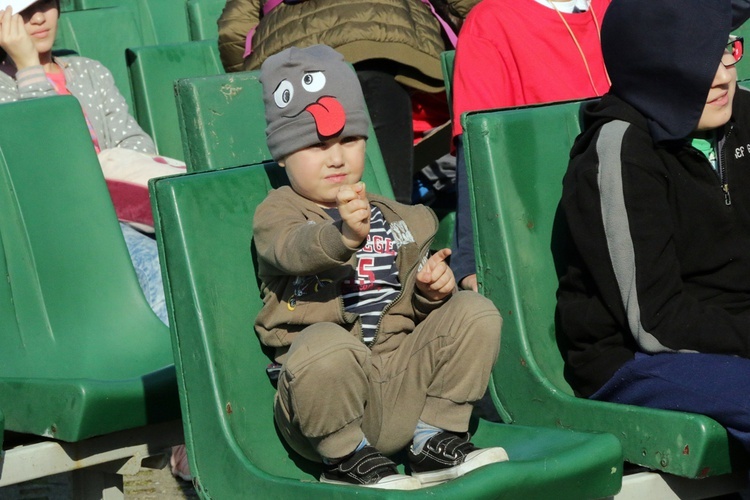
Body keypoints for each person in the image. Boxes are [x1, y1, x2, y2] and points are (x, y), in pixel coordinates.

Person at [254, 44, 507, 489]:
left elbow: (406, 309)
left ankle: (433, 438)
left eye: (348, 141)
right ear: (282, 156)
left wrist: (430, 294)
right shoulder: (280, 213)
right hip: (323, 404)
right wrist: (343, 237)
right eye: (315, 145)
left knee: (474, 311)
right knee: (326, 348)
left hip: (400, 382)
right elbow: (291, 250)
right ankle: (346, 460)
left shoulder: (392, 216)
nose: (336, 157)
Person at [557, 0, 750, 452]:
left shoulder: (742, 115)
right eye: (701, 63)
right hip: (636, 359)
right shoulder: (620, 151)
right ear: (656, 69)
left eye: (726, 51)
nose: (724, 76)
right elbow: (654, 322)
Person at [0, 0, 168, 323]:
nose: (37, 17)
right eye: (23, 10)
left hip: (125, 210)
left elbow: (134, 144)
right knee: (157, 268)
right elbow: (52, 161)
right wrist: (28, 68)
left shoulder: (90, 72)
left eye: (46, 2)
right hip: (68, 230)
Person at [218, 0, 478, 204]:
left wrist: (260, 89)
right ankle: (394, 226)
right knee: (389, 199)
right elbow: (474, 6)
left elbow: (233, 29)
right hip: (386, 41)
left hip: (295, 61)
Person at [450, 0, 611, 292]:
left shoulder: (619, 8)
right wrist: (472, 262)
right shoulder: (490, 23)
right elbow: (478, 155)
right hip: (551, 227)